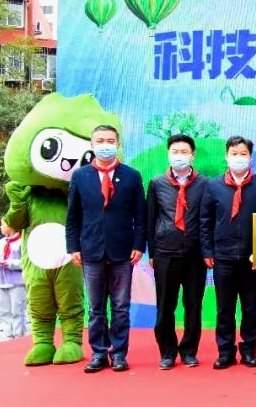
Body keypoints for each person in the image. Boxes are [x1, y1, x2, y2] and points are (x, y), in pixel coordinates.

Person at [65, 124, 146, 373]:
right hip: (91, 250)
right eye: (100, 141)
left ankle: (119, 353)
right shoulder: (80, 176)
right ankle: (99, 353)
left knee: (121, 307)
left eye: (110, 141)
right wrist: (73, 247)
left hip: (123, 251)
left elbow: (141, 216)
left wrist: (138, 245)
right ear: (92, 145)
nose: (105, 145)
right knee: (96, 308)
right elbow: (73, 217)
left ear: (118, 143)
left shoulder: (132, 176)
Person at [200, 136, 256, 369]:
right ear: (226, 156)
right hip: (223, 257)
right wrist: (207, 250)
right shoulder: (213, 186)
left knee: (251, 306)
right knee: (224, 308)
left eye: (243, 154)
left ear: (250, 157)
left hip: (252, 258)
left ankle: (249, 349)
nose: (238, 158)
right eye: (234, 154)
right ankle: (225, 351)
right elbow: (205, 220)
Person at [146, 134, 210, 370]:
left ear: (193, 155)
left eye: (184, 152)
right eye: (175, 151)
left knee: (193, 304)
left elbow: (207, 220)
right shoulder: (156, 183)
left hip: (195, 254)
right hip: (165, 252)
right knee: (165, 305)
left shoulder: (205, 184)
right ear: (168, 154)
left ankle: (189, 351)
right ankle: (167, 352)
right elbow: (150, 220)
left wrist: (207, 250)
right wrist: (152, 253)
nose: (179, 156)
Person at [0, 218, 28, 339]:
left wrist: (9, 263)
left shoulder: (22, 242)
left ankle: (19, 337)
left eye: (2, 224)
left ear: (11, 226)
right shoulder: (0, 243)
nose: (0, 227)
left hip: (17, 283)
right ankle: (8, 338)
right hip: (1, 282)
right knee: (4, 311)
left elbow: (26, 262)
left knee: (17, 311)